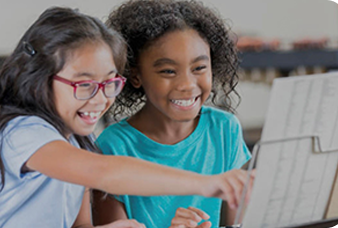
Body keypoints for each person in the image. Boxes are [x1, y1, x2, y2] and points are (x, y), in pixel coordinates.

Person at [0, 7, 252, 228]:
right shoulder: (21, 133)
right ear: (41, 79)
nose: (100, 99)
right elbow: (104, 172)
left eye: (109, 82)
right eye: (84, 84)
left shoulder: (80, 141)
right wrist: (207, 184)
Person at [93, 1, 254, 228]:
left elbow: (238, 222)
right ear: (136, 75)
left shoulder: (225, 129)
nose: (187, 85)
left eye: (199, 68)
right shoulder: (113, 147)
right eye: (168, 71)